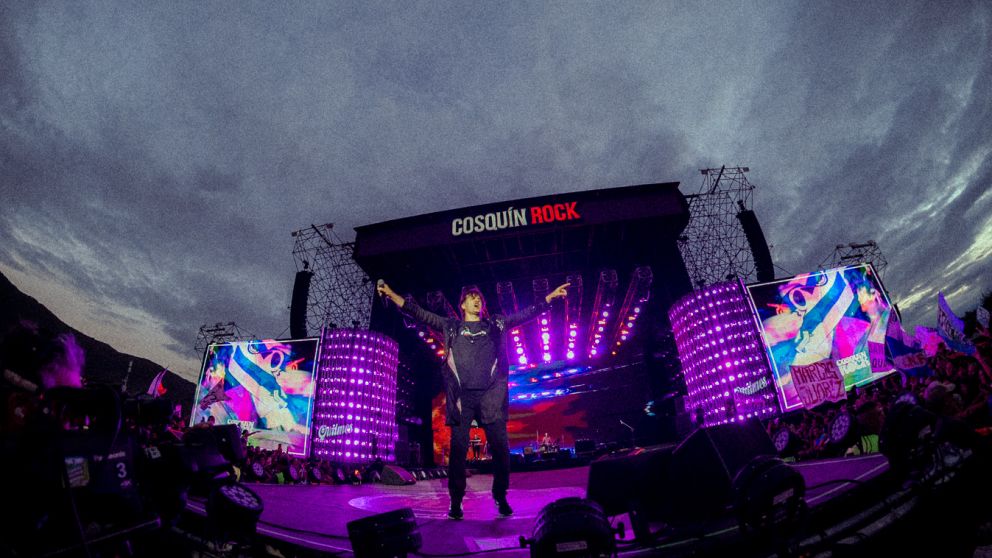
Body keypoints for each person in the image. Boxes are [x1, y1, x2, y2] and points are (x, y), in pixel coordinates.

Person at [378, 280, 569, 520]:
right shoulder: (451, 326)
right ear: (462, 304)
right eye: (471, 297)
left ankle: (500, 496)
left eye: (479, 297)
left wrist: (548, 298)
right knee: (458, 451)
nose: (477, 300)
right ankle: (456, 501)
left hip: (491, 394)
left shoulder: (495, 324)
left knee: (501, 449)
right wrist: (392, 294)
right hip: (462, 398)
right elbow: (418, 312)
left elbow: (524, 315)